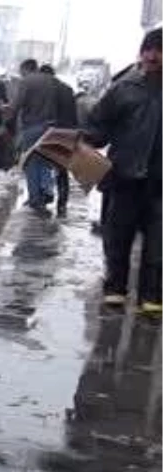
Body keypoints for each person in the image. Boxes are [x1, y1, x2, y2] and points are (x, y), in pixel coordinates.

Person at [83, 28, 163, 314]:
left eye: (160, 50)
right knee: (118, 237)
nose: (153, 56)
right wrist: (83, 141)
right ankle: (115, 289)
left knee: (158, 245)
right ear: (141, 53)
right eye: (149, 49)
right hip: (124, 177)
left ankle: (152, 297)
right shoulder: (123, 88)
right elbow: (98, 125)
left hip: (160, 183)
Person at [8, 58, 59, 216]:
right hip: (50, 126)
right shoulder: (52, 81)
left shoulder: (27, 81)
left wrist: (7, 119)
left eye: (21, 71)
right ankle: (47, 190)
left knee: (30, 162)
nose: (21, 74)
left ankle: (35, 199)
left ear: (26, 69)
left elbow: (16, 105)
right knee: (44, 161)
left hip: (33, 126)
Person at [40, 64, 79, 217]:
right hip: (67, 133)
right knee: (61, 170)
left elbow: (46, 113)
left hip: (51, 131)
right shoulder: (67, 89)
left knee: (44, 167)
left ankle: (45, 197)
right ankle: (62, 205)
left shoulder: (48, 90)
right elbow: (73, 115)